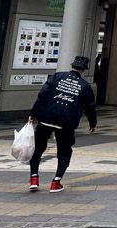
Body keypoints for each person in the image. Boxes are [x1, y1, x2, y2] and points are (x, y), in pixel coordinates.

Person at [27, 55, 97, 194]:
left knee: (38, 148)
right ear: (84, 69)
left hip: (46, 117)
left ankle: (34, 179)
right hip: (66, 122)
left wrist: (34, 113)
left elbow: (42, 95)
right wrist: (93, 123)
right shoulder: (84, 86)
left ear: (72, 65)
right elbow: (90, 106)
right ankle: (56, 182)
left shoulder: (57, 76)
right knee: (64, 151)